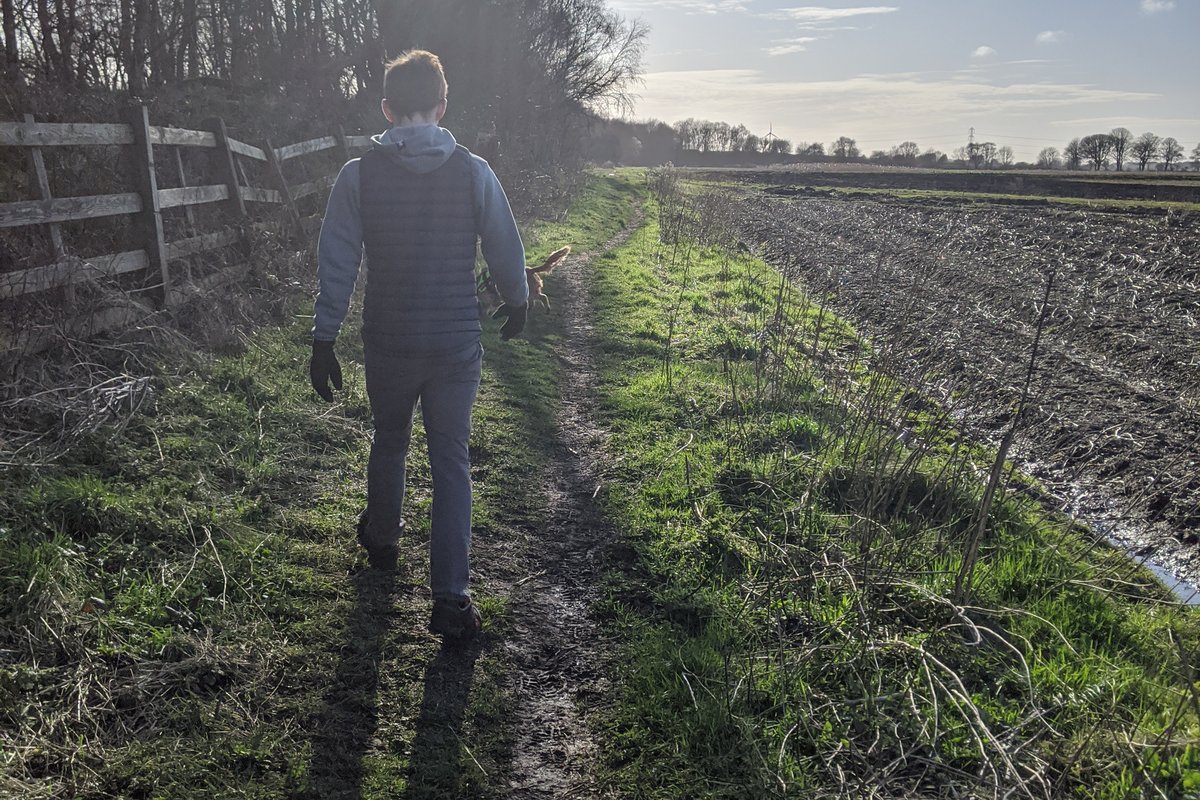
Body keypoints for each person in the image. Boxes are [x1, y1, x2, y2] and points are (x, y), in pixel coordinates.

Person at [308, 50, 528, 639]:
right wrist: (519, 299)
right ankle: (451, 599)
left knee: (390, 441)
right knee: (452, 462)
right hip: (456, 343)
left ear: (385, 109)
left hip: (389, 339)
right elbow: (504, 242)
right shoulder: (474, 171)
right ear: (442, 106)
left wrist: (323, 336)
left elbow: (337, 263)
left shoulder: (357, 175)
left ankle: (382, 538)